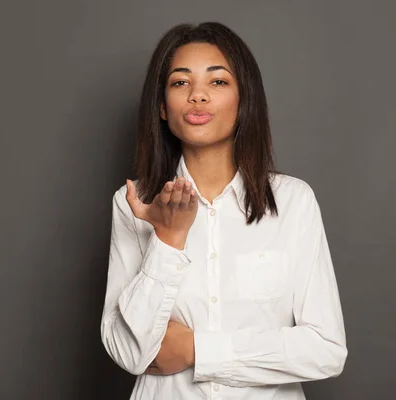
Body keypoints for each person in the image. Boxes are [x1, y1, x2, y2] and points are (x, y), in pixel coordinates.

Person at [99, 22, 347, 399]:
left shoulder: (293, 201)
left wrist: (196, 350)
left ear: (243, 99)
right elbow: (129, 351)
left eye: (217, 82)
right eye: (181, 83)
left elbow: (326, 350)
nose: (198, 96)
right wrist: (168, 239)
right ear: (163, 108)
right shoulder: (135, 203)